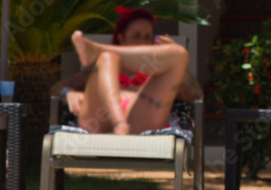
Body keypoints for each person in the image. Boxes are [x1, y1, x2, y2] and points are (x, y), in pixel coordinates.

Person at [52, 7, 203, 135]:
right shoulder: (103, 63)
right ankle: (120, 123)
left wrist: (179, 65)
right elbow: (56, 87)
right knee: (107, 58)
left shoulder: (156, 70)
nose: (142, 42)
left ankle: (97, 49)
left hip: (141, 118)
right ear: (121, 38)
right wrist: (69, 93)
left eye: (147, 37)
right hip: (98, 119)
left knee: (179, 53)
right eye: (136, 36)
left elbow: (195, 94)